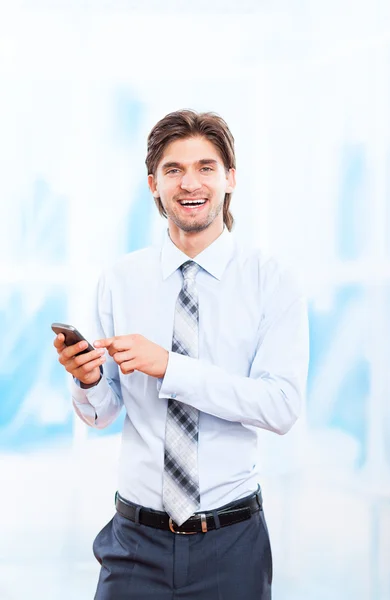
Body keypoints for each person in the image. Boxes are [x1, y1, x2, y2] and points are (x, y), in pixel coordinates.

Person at [54, 109, 309, 600]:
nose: (190, 182)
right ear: (154, 184)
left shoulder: (271, 282)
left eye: (206, 167)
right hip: (133, 543)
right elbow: (103, 412)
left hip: (231, 543)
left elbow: (280, 407)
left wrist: (171, 367)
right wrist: (87, 380)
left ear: (230, 178)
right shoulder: (120, 280)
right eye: (173, 169)